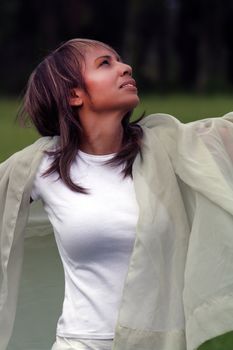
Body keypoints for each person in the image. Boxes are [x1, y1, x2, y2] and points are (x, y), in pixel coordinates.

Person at [1, 38, 233, 350]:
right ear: (73, 95)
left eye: (119, 60)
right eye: (105, 64)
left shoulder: (169, 148)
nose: (126, 68)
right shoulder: (40, 167)